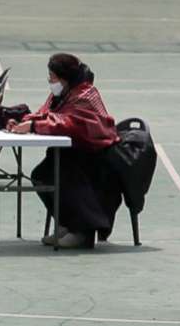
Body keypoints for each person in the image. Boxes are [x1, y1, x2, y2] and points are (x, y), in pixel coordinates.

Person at [12, 51, 119, 249]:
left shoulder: (85, 96)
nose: (50, 82)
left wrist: (34, 127)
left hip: (94, 156)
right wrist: (22, 121)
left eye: (52, 78)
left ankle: (82, 231)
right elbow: (45, 114)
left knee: (64, 177)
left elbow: (69, 124)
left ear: (64, 78)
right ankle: (66, 223)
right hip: (69, 151)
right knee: (41, 175)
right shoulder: (62, 94)